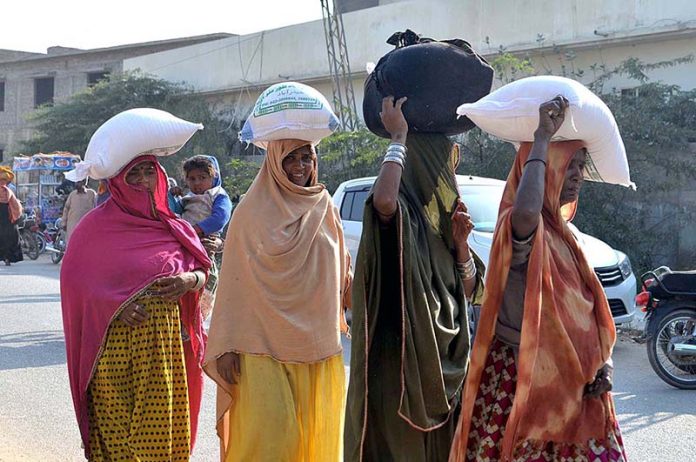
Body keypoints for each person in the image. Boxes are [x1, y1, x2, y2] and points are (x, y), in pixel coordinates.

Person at [449, 97, 627, 461]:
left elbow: (591, 314)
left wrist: (604, 363)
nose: (577, 175)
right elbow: (526, 210)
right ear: (543, 169)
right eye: (568, 166)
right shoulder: (521, 230)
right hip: (525, 383)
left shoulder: (569, 237)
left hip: (580, 390)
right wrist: (542, 137)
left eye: (580, 166)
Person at [344, 97, 485, 462]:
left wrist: (461, 248)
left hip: (447, 368)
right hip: (401, 370)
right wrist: (399, 137)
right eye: (438, 165)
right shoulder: (403, 215)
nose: (446, 176)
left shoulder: (447, 223)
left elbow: (473, 292)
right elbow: (384, 201)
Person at [203, 139, 352, 462]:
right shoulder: (249, 213)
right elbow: (233, 284)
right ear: (274, 161)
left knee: (312, 441)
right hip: (261, 346)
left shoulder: (325, 206)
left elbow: (343, 271)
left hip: (317, 347)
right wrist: (226, 344)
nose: (300, 167)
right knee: (274, 441)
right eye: (290, 159)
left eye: (306, 158)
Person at [60, 155, 211, 461]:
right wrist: (114, 306)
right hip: (111, 350)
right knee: (115, 433)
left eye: (149, 173)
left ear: (161, 178)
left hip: (162, 352)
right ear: (117, 181)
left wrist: (187, 280)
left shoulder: (175, 226)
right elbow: (75, 282)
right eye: (134, 174)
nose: (143, 180)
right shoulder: (94, 228)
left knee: (159, 432)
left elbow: (204, 271)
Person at [169, 155, 232, 318]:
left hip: (205, 244)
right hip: (185, 244)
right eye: (192, 179)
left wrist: (196, 230)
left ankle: (201, 316)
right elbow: (175, 209)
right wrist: (172, 195)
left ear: (214, 176)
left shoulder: (218, 195)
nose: (197, 183)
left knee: (207, 277)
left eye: (202, 178)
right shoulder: (188, 197)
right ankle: (185, 317)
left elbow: (220, 218)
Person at [60, 180, 97, 246]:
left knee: (86, 245)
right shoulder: (72, 194)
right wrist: (64, 223)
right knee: (71, 245)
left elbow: (97, 208)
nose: (76, 184)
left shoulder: (91, 194)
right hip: (72, 225)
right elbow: (66, 209)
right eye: (76, 182)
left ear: (83, 182)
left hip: (87, 226)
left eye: (78, 182)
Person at [0, 166, 23, 266]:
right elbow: (17, 208)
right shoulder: (10, 192)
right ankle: (7, 258)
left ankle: (7, 258)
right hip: (9, 221)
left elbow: (16, 206)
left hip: (8, 220)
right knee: (10, 238)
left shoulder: (9, 192)